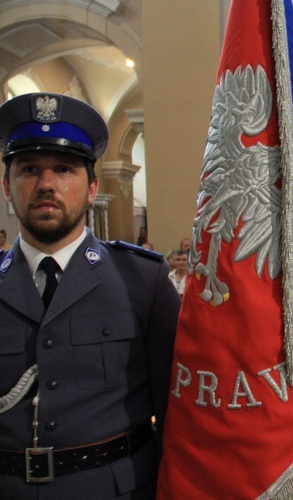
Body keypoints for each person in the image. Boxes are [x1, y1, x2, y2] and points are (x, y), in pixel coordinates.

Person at [0, 92, 181, 497]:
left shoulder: (143, 281)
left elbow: (175, 409)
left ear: (92, 186)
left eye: (64, 169)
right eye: (29, 169)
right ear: (7, 186)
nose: (46, 185)